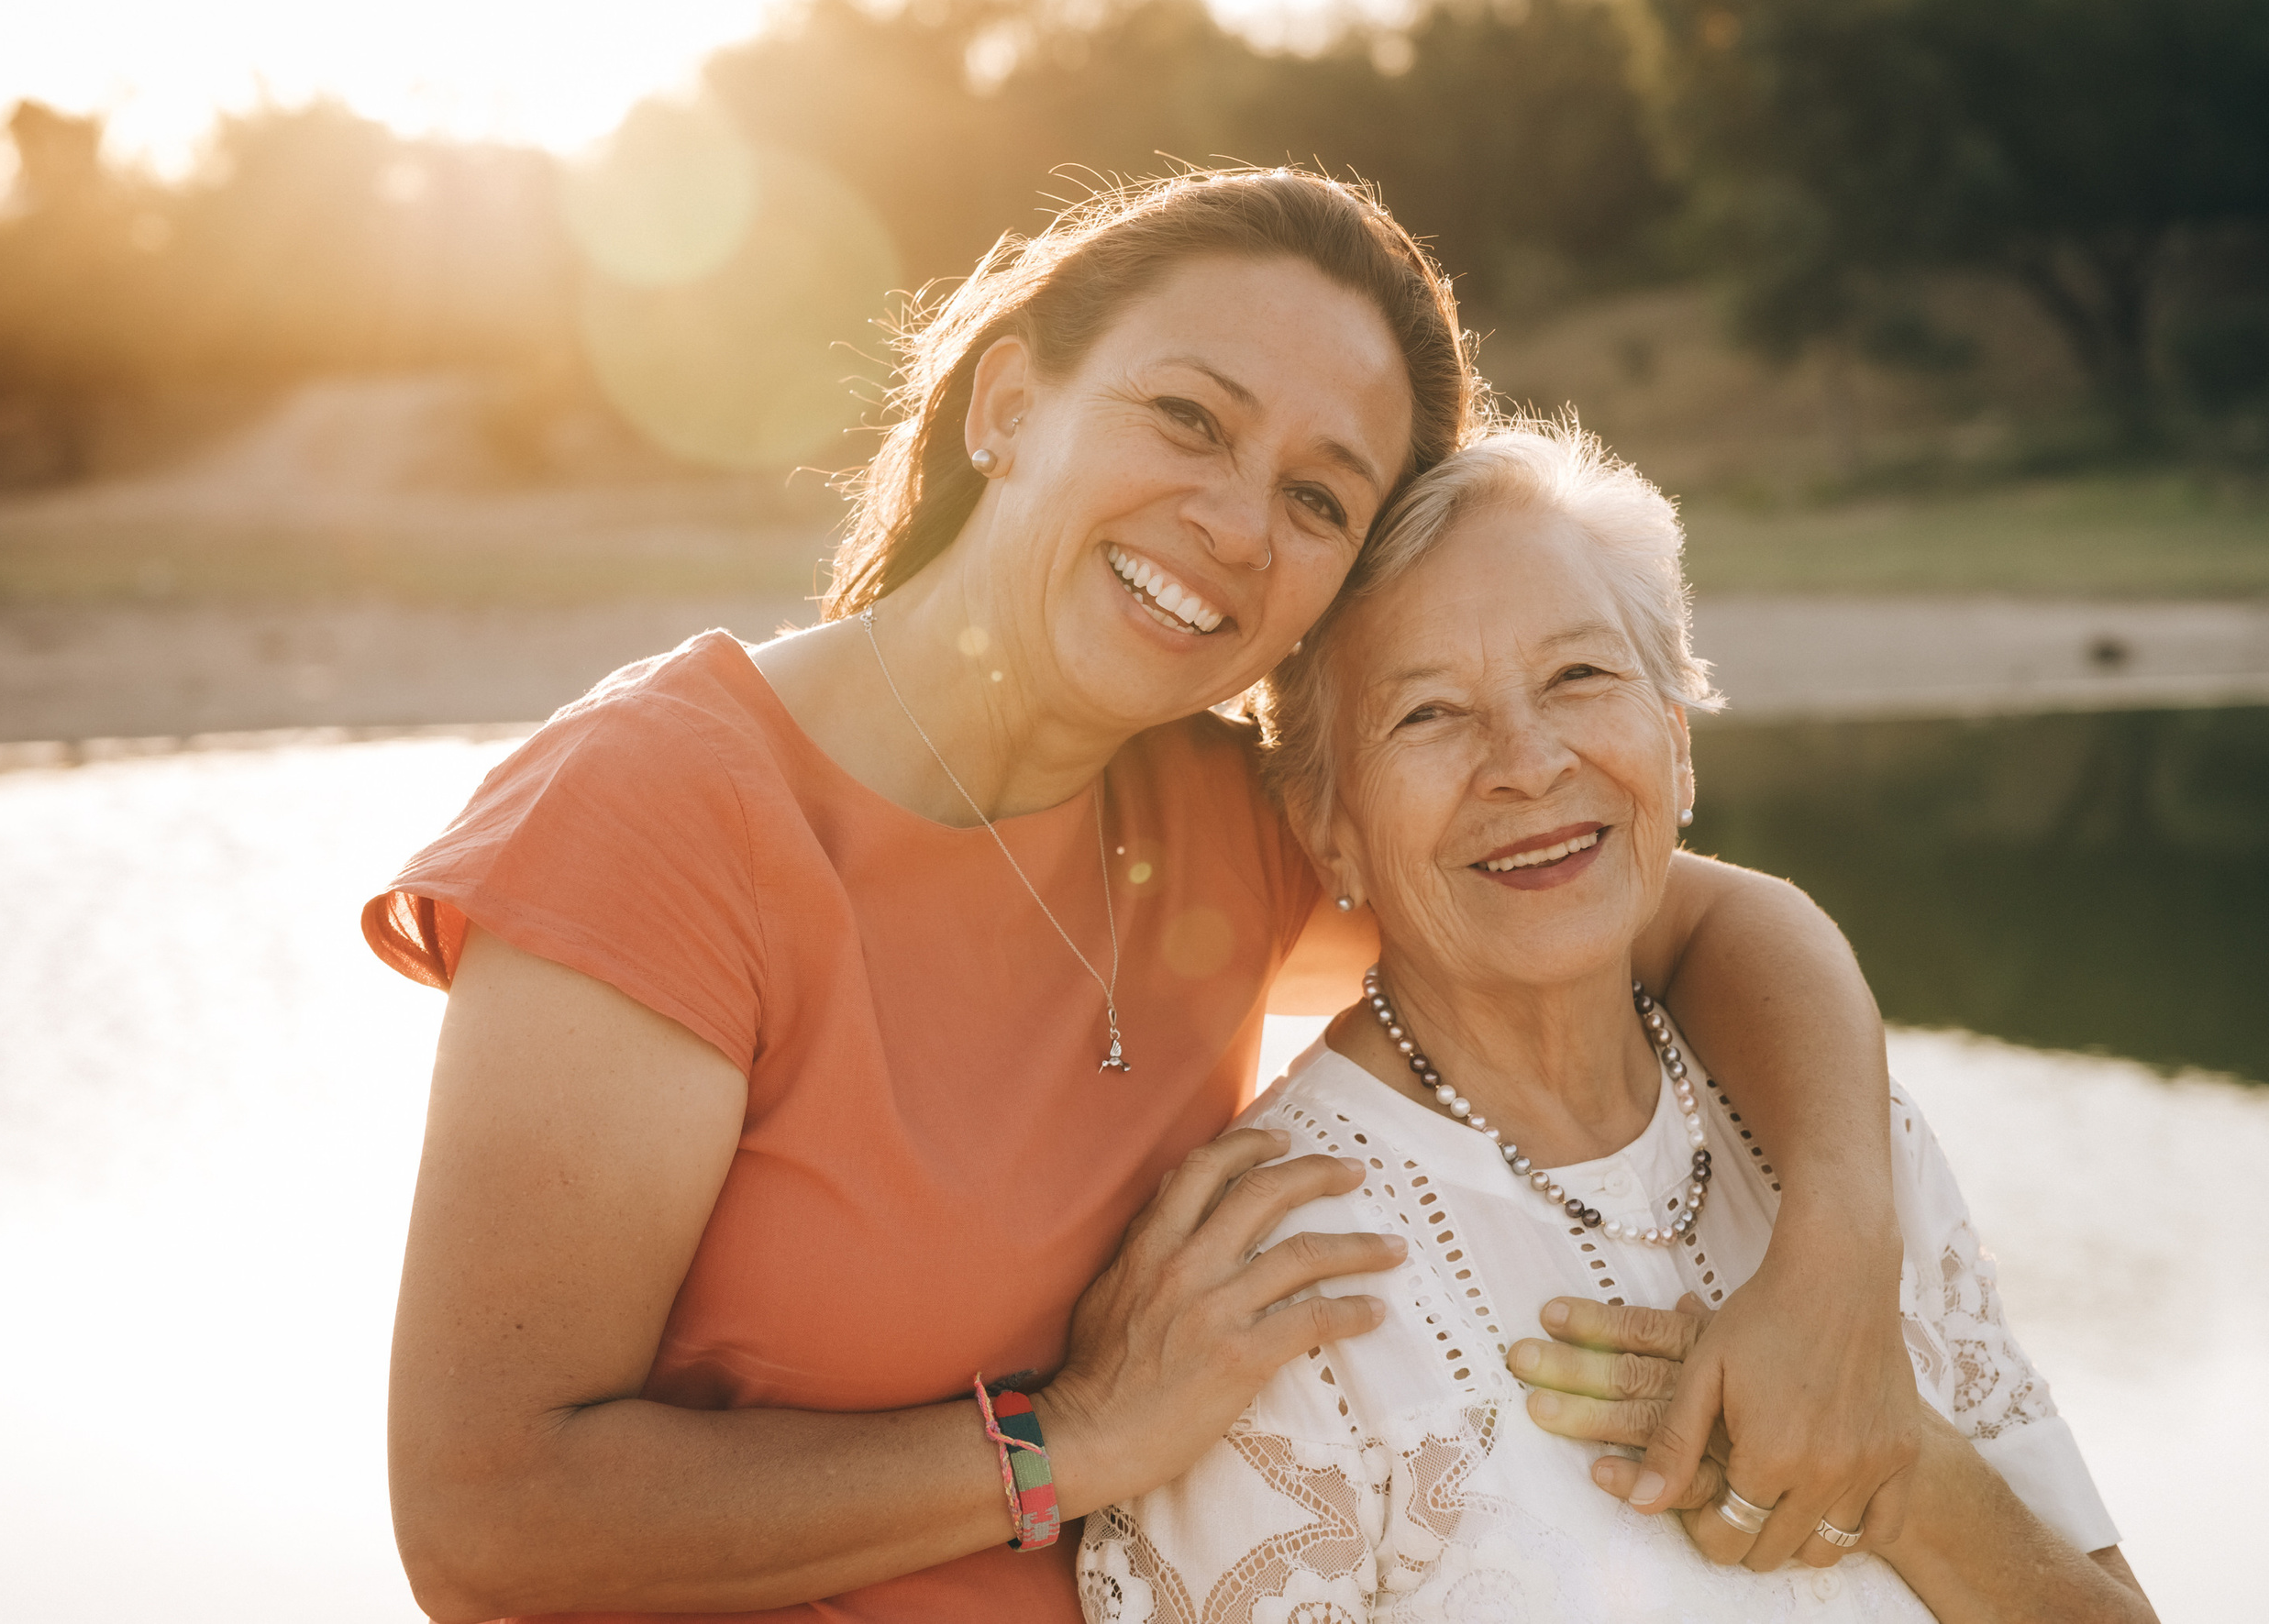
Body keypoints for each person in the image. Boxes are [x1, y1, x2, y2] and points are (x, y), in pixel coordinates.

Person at [366, 170, 1919, 1624]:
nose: (1239, 527)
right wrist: (1068, 1445)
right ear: (1009, 404)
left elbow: (1703, 919)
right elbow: (488, 1515)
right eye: (1189, 419)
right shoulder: (662, 817)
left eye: (1320, 502)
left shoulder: (1221, 824)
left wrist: (1839, 1254)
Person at [1081, 420, 2151, 1622]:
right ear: (1328, 826)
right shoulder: (1271, 1276)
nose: (1528, 764)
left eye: (1581, 678)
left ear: (1678, 743)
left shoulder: (1837, 1139)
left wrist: (1906, 1472)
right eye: (1429, 713)